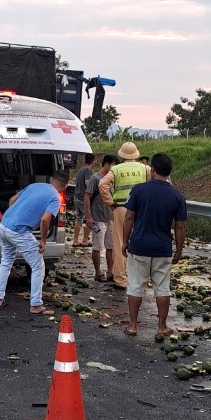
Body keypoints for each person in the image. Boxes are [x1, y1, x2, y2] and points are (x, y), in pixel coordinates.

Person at [120, 153, 187, 336]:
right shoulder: (177, 195)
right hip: (162, 249)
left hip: (139, 246)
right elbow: (180, 226)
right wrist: (178, 251)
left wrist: (125, 242)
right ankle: (162, 326)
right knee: (162, 288)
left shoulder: (139, 190)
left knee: (135, 286)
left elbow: (129, 218)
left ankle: (133, 326)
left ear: (153, 170)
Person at [0, 171, 69, 314]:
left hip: (4, 225)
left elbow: (12, 200)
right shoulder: (55, 198)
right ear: (64, 186)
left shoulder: (35, 185)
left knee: (6, 261)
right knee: (38, 265)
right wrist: (44, 240)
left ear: (51, 179)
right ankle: (36, 305)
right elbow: (45, 220)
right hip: (19, 231)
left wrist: (14, 216)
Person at [98, 142, 150, 289]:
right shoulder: (145, 169)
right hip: (140, 211)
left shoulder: (116, 169)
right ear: (136, 154)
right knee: (140, 242)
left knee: (120, 243)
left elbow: (102, 184)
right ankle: (140, 278)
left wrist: (110, 202)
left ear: (122, 155)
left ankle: (120, 279)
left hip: (121, 209)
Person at [83, 155, 116, 282]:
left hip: (110, 218)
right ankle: (98, 272)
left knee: (110, 247)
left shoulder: (112, 179)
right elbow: (87, 197)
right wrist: (89, 217)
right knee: (97, 246)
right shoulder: (95, 178)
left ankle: (110, 271)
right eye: (112, 165)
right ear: (106, 164)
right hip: (97, 218)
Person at [71, 154, 95, 247]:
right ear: (93, 161)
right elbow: (87, 183)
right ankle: (85, 240)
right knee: (90, 219)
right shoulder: (88, 170)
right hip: (83, 199)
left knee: (79, 219)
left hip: (77, 198)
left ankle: (75, 241)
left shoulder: (80, 170)